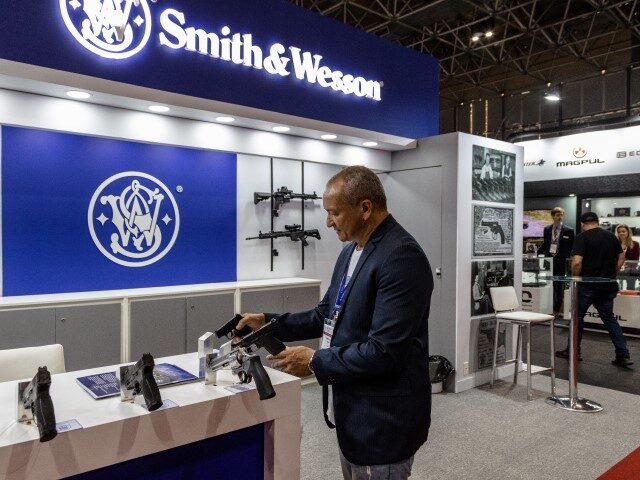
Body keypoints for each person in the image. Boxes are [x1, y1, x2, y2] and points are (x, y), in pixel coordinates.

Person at [237, 166, 433, 479]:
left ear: (365, 208)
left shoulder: (401, 257)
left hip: (381, 424)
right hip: (352, 414)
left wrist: (315, 361)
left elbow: (384, 352)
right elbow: (324, 314)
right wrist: (267, 323)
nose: (328, 222)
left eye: (335, 213)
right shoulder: (351, 252)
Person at [556, 212, 633, 367]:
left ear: (583, 224)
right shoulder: (611, 237)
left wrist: (575, 280)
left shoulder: (582, 237)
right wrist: (612, 274)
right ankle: (623, 355)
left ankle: (574, 351)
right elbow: (621, 257)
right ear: (597, 222)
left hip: (587, 286)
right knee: (609, 319)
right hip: (607, 286)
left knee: (577, 318)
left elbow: (577, 262)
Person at [537, 207, 575, 316]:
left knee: (560, 285)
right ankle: (549, 306)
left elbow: (573, 246)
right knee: (549, 285)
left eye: (561, 214)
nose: (560, 217)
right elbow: (546, 244)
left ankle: (557, 308)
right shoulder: (547, 229)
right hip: (549, 260)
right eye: (558, 215)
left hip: (563, 262)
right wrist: (537, 253)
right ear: (553, 216)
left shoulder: (569, 230)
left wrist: (571, 257)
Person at [615, 224, 639, 290]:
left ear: (628, 232)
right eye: (619, 232)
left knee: (631, 272)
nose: (621, 233)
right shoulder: (614, 244)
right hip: (616, 267)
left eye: (623, 231)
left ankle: (630, 294)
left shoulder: (635, 244)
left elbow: (635, 258)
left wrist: (623, 260)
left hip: (630, 268)